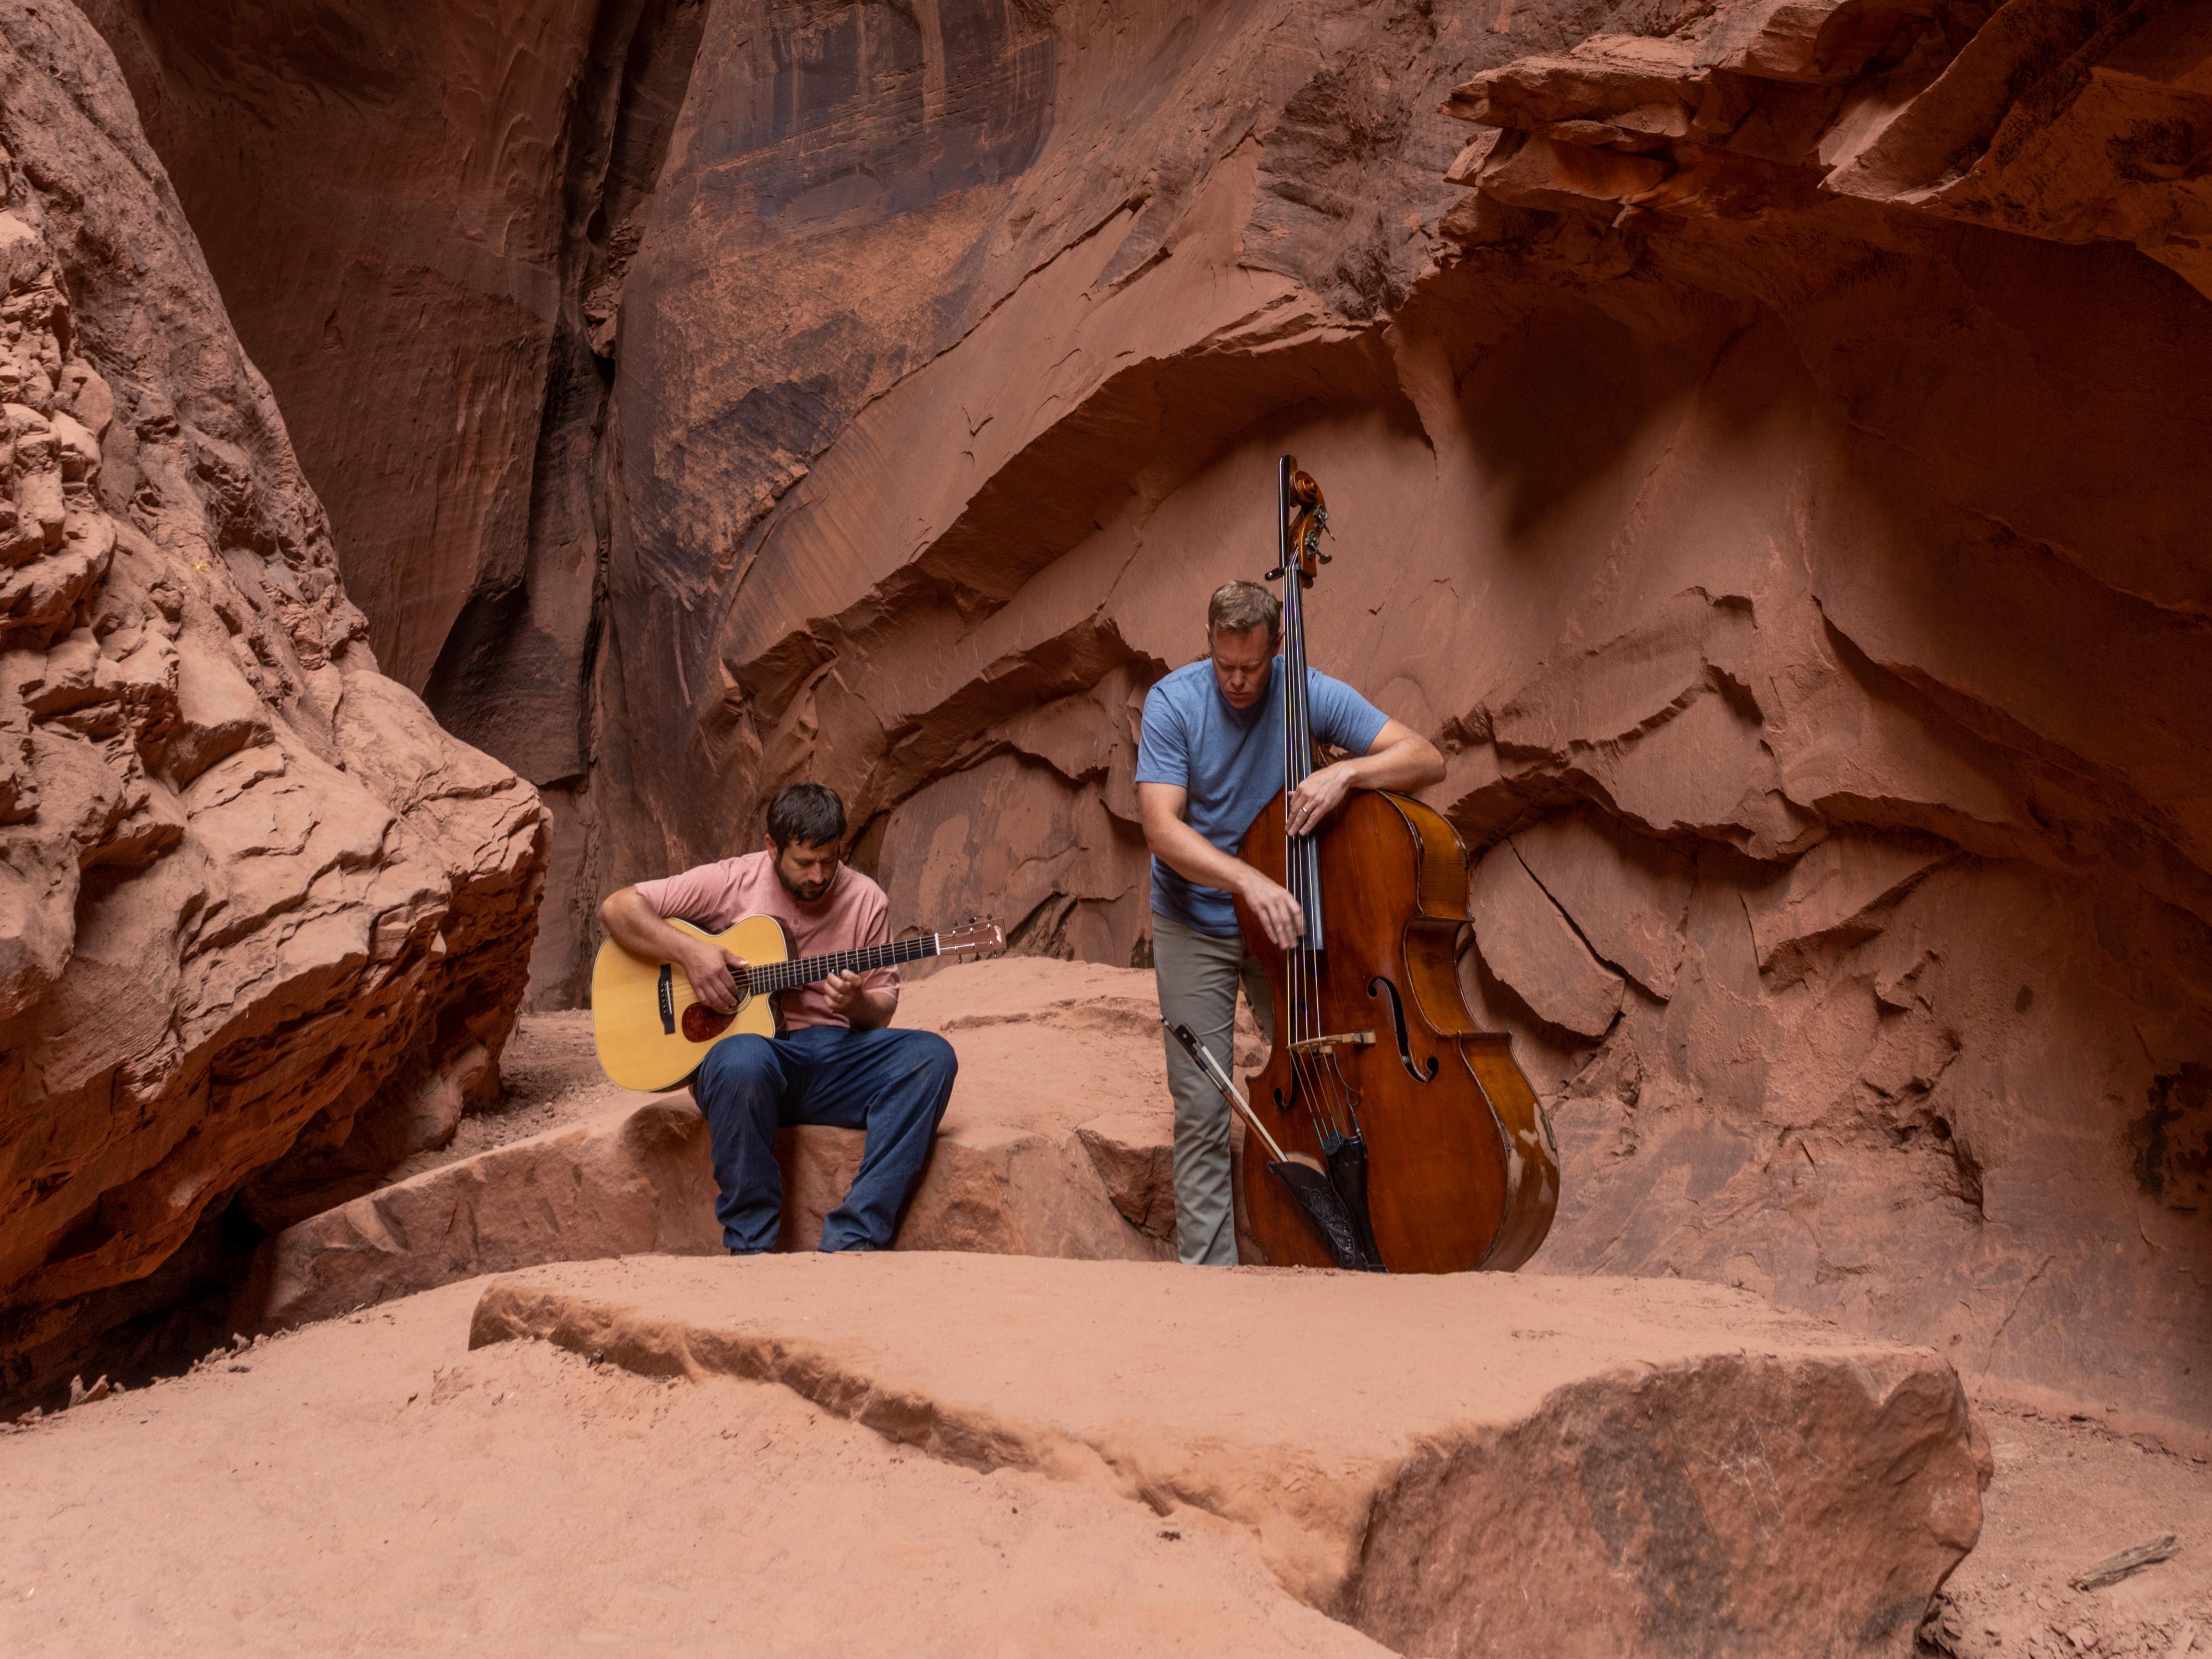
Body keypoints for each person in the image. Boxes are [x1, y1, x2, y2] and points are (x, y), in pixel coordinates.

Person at [1135, 579, 1445, 1265]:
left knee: (1330, 1085)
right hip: (1200, 918)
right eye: (1224, 665)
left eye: (1251, 666)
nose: (1237, 681)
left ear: (1277, 649)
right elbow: (1160, 827)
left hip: (1286, 931)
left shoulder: (1306, 691)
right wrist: (1246, 878)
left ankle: (1357, 1254)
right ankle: (1210, 1281)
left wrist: (1350, 775)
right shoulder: (1173, 703)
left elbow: (1426, 758)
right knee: (1203, 1107)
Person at [597, 782, 957, 1255]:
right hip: (752, 1068)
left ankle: (854, 1239)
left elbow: (881, 1011)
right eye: (804, 862)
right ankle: (751, 1247)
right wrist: (692, 954)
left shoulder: (867, 899)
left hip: (833, 1061)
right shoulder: (733, 880)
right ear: (772, 847)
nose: (819, 875)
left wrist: (856, 1005)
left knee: (932, 1058)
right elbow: (618, 908)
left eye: (829, 860)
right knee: (740, 1059)